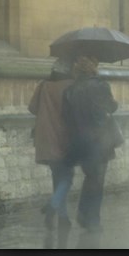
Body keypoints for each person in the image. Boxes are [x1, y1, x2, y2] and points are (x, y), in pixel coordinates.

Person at [62, 55, 120, 232]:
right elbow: (110, 108)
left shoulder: (70, 90)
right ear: (93, 67)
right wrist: (113, 105)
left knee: (90, 177)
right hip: (99, 140)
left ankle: (84, 213)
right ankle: (92, 219)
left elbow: (66, 118)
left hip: (79, 141)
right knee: (97, 180)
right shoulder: (101, 86)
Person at [28, 58, 74, 231]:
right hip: (63, 137)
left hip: (46, 136)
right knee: (68, 178)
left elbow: (32, 108)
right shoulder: (71, 84)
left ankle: (63, 218)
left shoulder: (44, 85)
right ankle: (52, 206)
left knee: (58, 177)